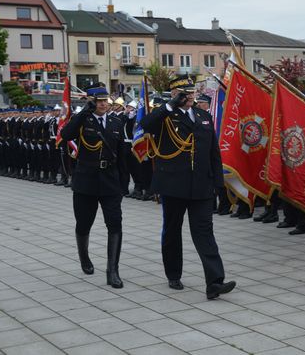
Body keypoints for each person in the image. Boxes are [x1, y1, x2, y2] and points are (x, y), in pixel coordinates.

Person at [140, 75, 235, 299]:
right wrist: (170, 105)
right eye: (184, 93)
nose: (190, 97)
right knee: (172, 230)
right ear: (174, 94)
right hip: (173, 184)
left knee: (204, 232)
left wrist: (217, 183)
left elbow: (213, 150)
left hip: (201, 185)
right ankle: (173, 274)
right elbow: (146, 125)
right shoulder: (165, 115)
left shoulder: (203, 115)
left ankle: (214, 282)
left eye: (191, 92)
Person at [60, 86, 125, 289]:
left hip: (110, 180)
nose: (103, 104)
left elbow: (122, 154)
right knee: (84, 223)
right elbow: (66, 134)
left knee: (115, 224)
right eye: (98, 101)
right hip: (86, 180)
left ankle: (112, 270)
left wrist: (123, 184)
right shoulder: (83, 120)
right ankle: (84, 257)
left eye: (105, 100)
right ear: (91, 102)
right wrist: (83, 113)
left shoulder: (116, 121)